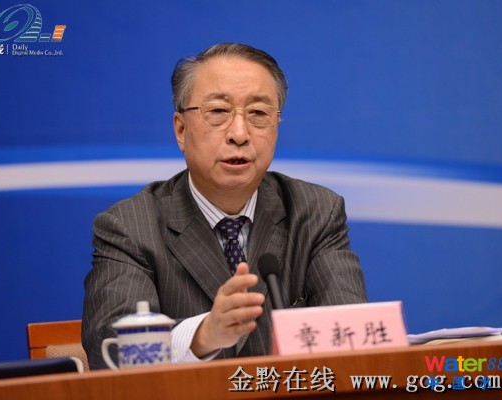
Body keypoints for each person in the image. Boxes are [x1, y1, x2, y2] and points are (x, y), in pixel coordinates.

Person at [82, 43, 367, 369]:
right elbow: (110, 349)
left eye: (258, 113)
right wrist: (202, 335)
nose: (239, 134)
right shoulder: (130, 227)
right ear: (181, 129)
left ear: (276, 127)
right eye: (218, 111)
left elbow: (353, 336)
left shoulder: (315, 212)